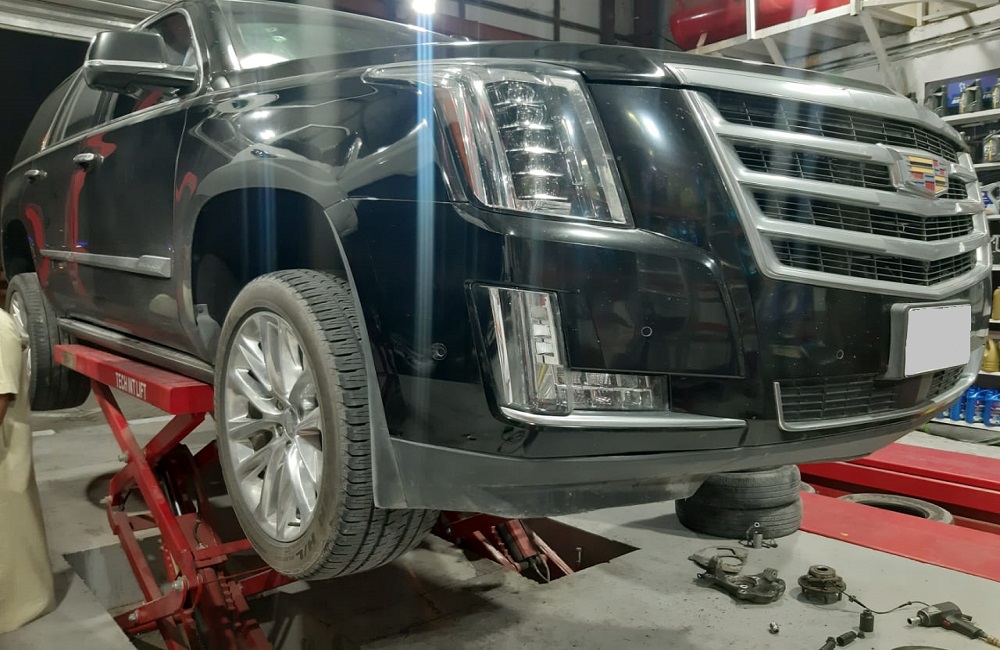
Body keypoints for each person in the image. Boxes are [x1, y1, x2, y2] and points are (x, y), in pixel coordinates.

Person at [0, 308, 55, 633]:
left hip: (5, 460)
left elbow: (0, 399)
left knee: (11, 543)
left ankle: (20, 609)